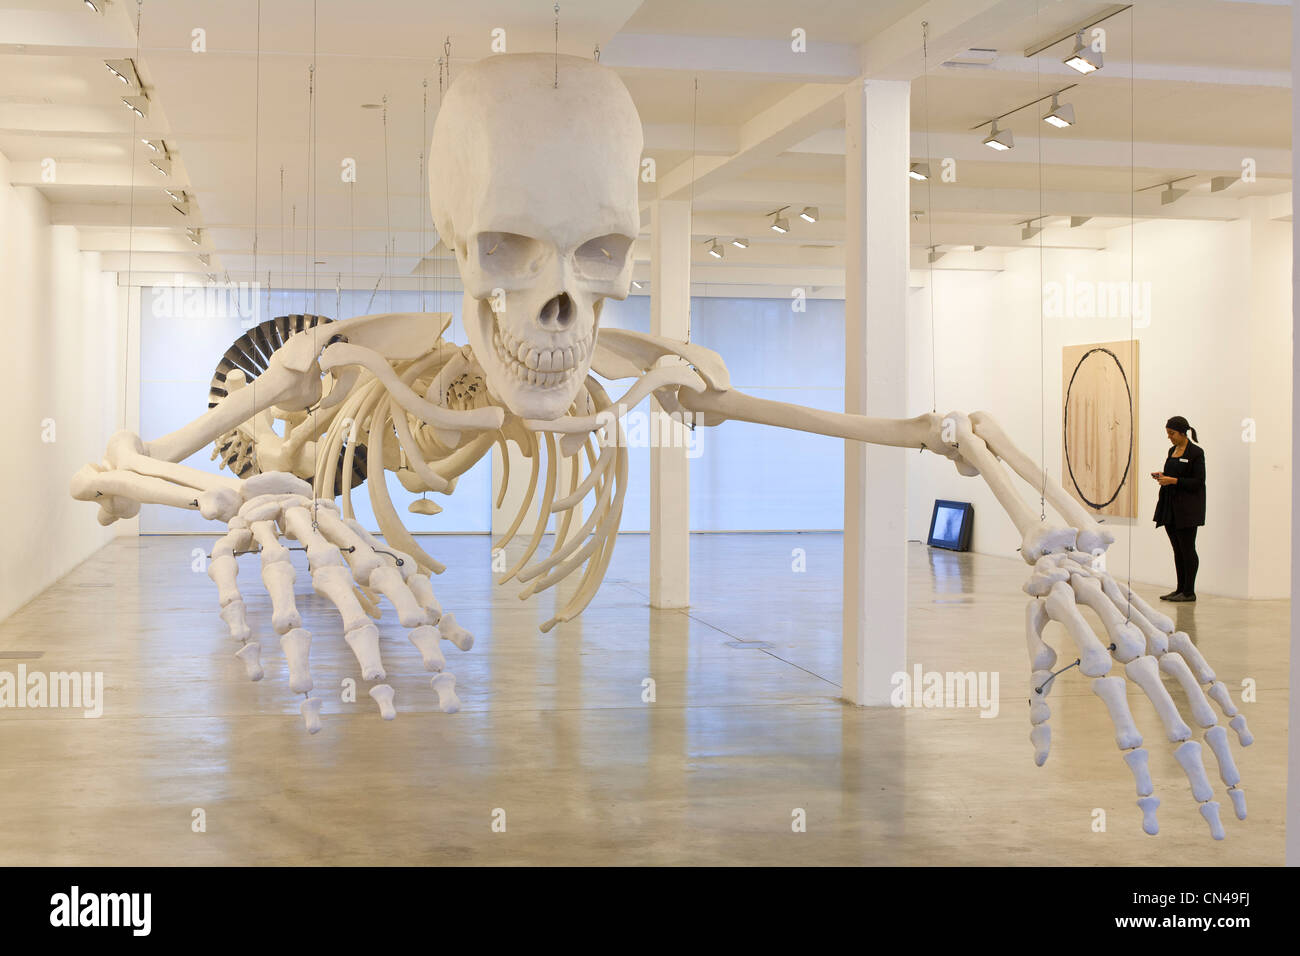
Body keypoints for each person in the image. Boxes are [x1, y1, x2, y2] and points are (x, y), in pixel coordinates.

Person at [1150, 415, 1205, 602]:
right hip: (1170, 507)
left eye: (1172, 433)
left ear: (1182, 433)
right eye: (1168, 433)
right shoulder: (1172, 450)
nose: (1169, 437)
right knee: (1177, 550)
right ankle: (1180, 589)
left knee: (1188, 549)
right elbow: (1174, 474)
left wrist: (1172, 480)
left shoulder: (1196, 453)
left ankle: (1189, 591)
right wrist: (1162, 476)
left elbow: (1198, 482)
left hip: (1187, 509)